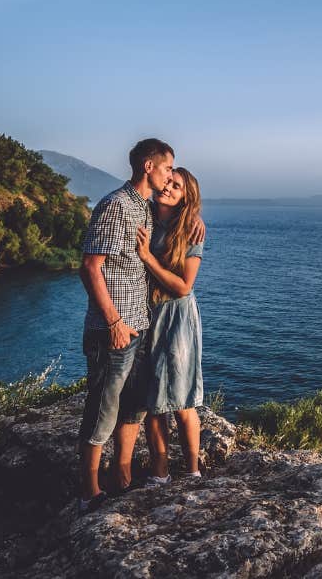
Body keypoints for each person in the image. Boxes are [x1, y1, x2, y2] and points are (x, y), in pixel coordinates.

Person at [77, 138, 198, 513]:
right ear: (149, 166)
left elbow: (177, 211)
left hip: (141, 325)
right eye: (166, 169)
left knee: (133, 408)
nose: (168, 178)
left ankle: (121, 478)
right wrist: (113, 320)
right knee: (103, 408)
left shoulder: (144, 208)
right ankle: (89, 494)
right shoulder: (117, 206)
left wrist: (193, 215)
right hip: (114, 328)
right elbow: (90, 267)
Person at [134, 167, 206, 484]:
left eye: (177, 187)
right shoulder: (145, 213)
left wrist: (148, 258)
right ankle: (159, 472)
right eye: (169, 181)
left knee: (182, 401)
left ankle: (192, 471)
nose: (169, 188)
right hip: (147, 313)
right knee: (153, 403)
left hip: (177, 318)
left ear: (186, 197)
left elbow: (183, 286)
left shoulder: (190, 230)